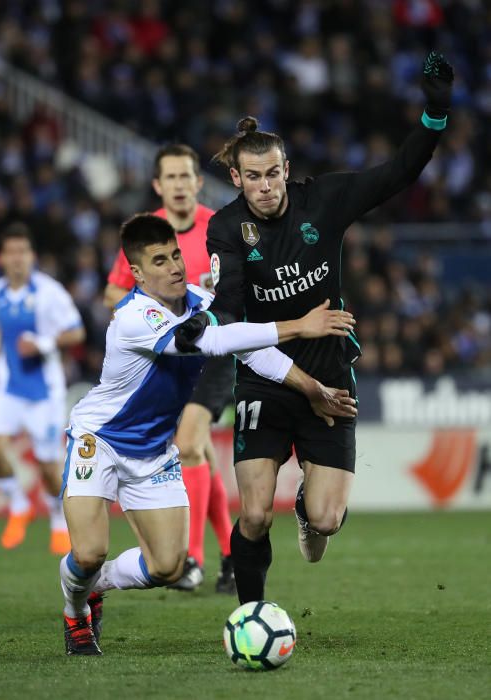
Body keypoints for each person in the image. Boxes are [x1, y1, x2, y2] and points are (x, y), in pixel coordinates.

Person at [176, 51, 454, 604]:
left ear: (286, 168)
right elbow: (231, 308)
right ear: (236, 178)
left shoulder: (323, 200)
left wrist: (435, 112)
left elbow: (398, 172)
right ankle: (249, 616)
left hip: (332, 374)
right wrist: (206, 321)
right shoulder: (227, 229)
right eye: (251, 177)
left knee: (325, 521)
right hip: (267, 377)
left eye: (272, 173)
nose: (264, 186)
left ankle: (307, 507)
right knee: (253, 512)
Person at [60, 213, 356, 655]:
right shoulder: (134, 317)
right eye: (159, 261)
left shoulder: (199, 301)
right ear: (137, 273)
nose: (175, 267)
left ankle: (94, 588)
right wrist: (299, 326)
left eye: (176, 255)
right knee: (87, 553)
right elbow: (207, 343)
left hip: (154, 452)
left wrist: (313, 389)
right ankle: (75, 610)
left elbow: (253, 352)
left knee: (166, 567)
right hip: (99, 440)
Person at [104, 144, 236, 593]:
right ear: (159, 186)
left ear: (198, 182)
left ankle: (192, 559)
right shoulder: (149, 236)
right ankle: (232, 556)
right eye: (171, 179)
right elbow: (113, 294)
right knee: (200, 453)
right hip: (168, 362)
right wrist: (147, 319)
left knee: (188, 443)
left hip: (214, 354)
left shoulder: (217, 228)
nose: (180, 185)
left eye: (187, 177)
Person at [0, 223, 85, 555]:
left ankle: (56, 518)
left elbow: (77, 332)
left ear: (32, 256)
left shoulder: (50, 293)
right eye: (11, 252)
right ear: (0, 258)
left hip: (45, 394)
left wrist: (43, 343)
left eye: (22, 252)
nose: (17, 259)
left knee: (48, 467)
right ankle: (19, 505)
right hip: (9, 389)